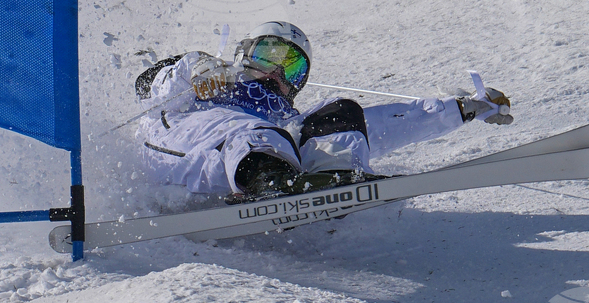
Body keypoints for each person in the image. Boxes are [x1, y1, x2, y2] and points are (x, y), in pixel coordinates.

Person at [135, 21, 512, 198]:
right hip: (180, 153)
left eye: (293, 69)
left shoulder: (284, 121)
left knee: (341, 113)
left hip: (262, 148)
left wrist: (463, 108)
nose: (277, 73)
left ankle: (335, 177)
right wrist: (196, 67)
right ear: (245, 54)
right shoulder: (210, 87)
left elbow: (379, 127)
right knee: (253, 132)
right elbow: (150, 90)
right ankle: (269, 180)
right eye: (269, 56)